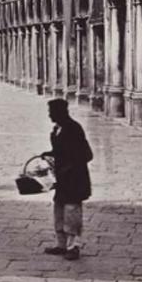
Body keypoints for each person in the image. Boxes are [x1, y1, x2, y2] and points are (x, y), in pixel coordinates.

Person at [43, 98, 93, 260]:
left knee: (72, 212)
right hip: (63, 179)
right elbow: (61, 151)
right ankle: (61, 244)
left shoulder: (73, 129)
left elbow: (84, 154)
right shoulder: (59, 128)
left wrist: (67, 167)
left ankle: (74, 246)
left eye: (52, 112)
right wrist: (49, 154)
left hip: (74, 178)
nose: (49, 115)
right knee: (59, 210)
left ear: (60, 112)